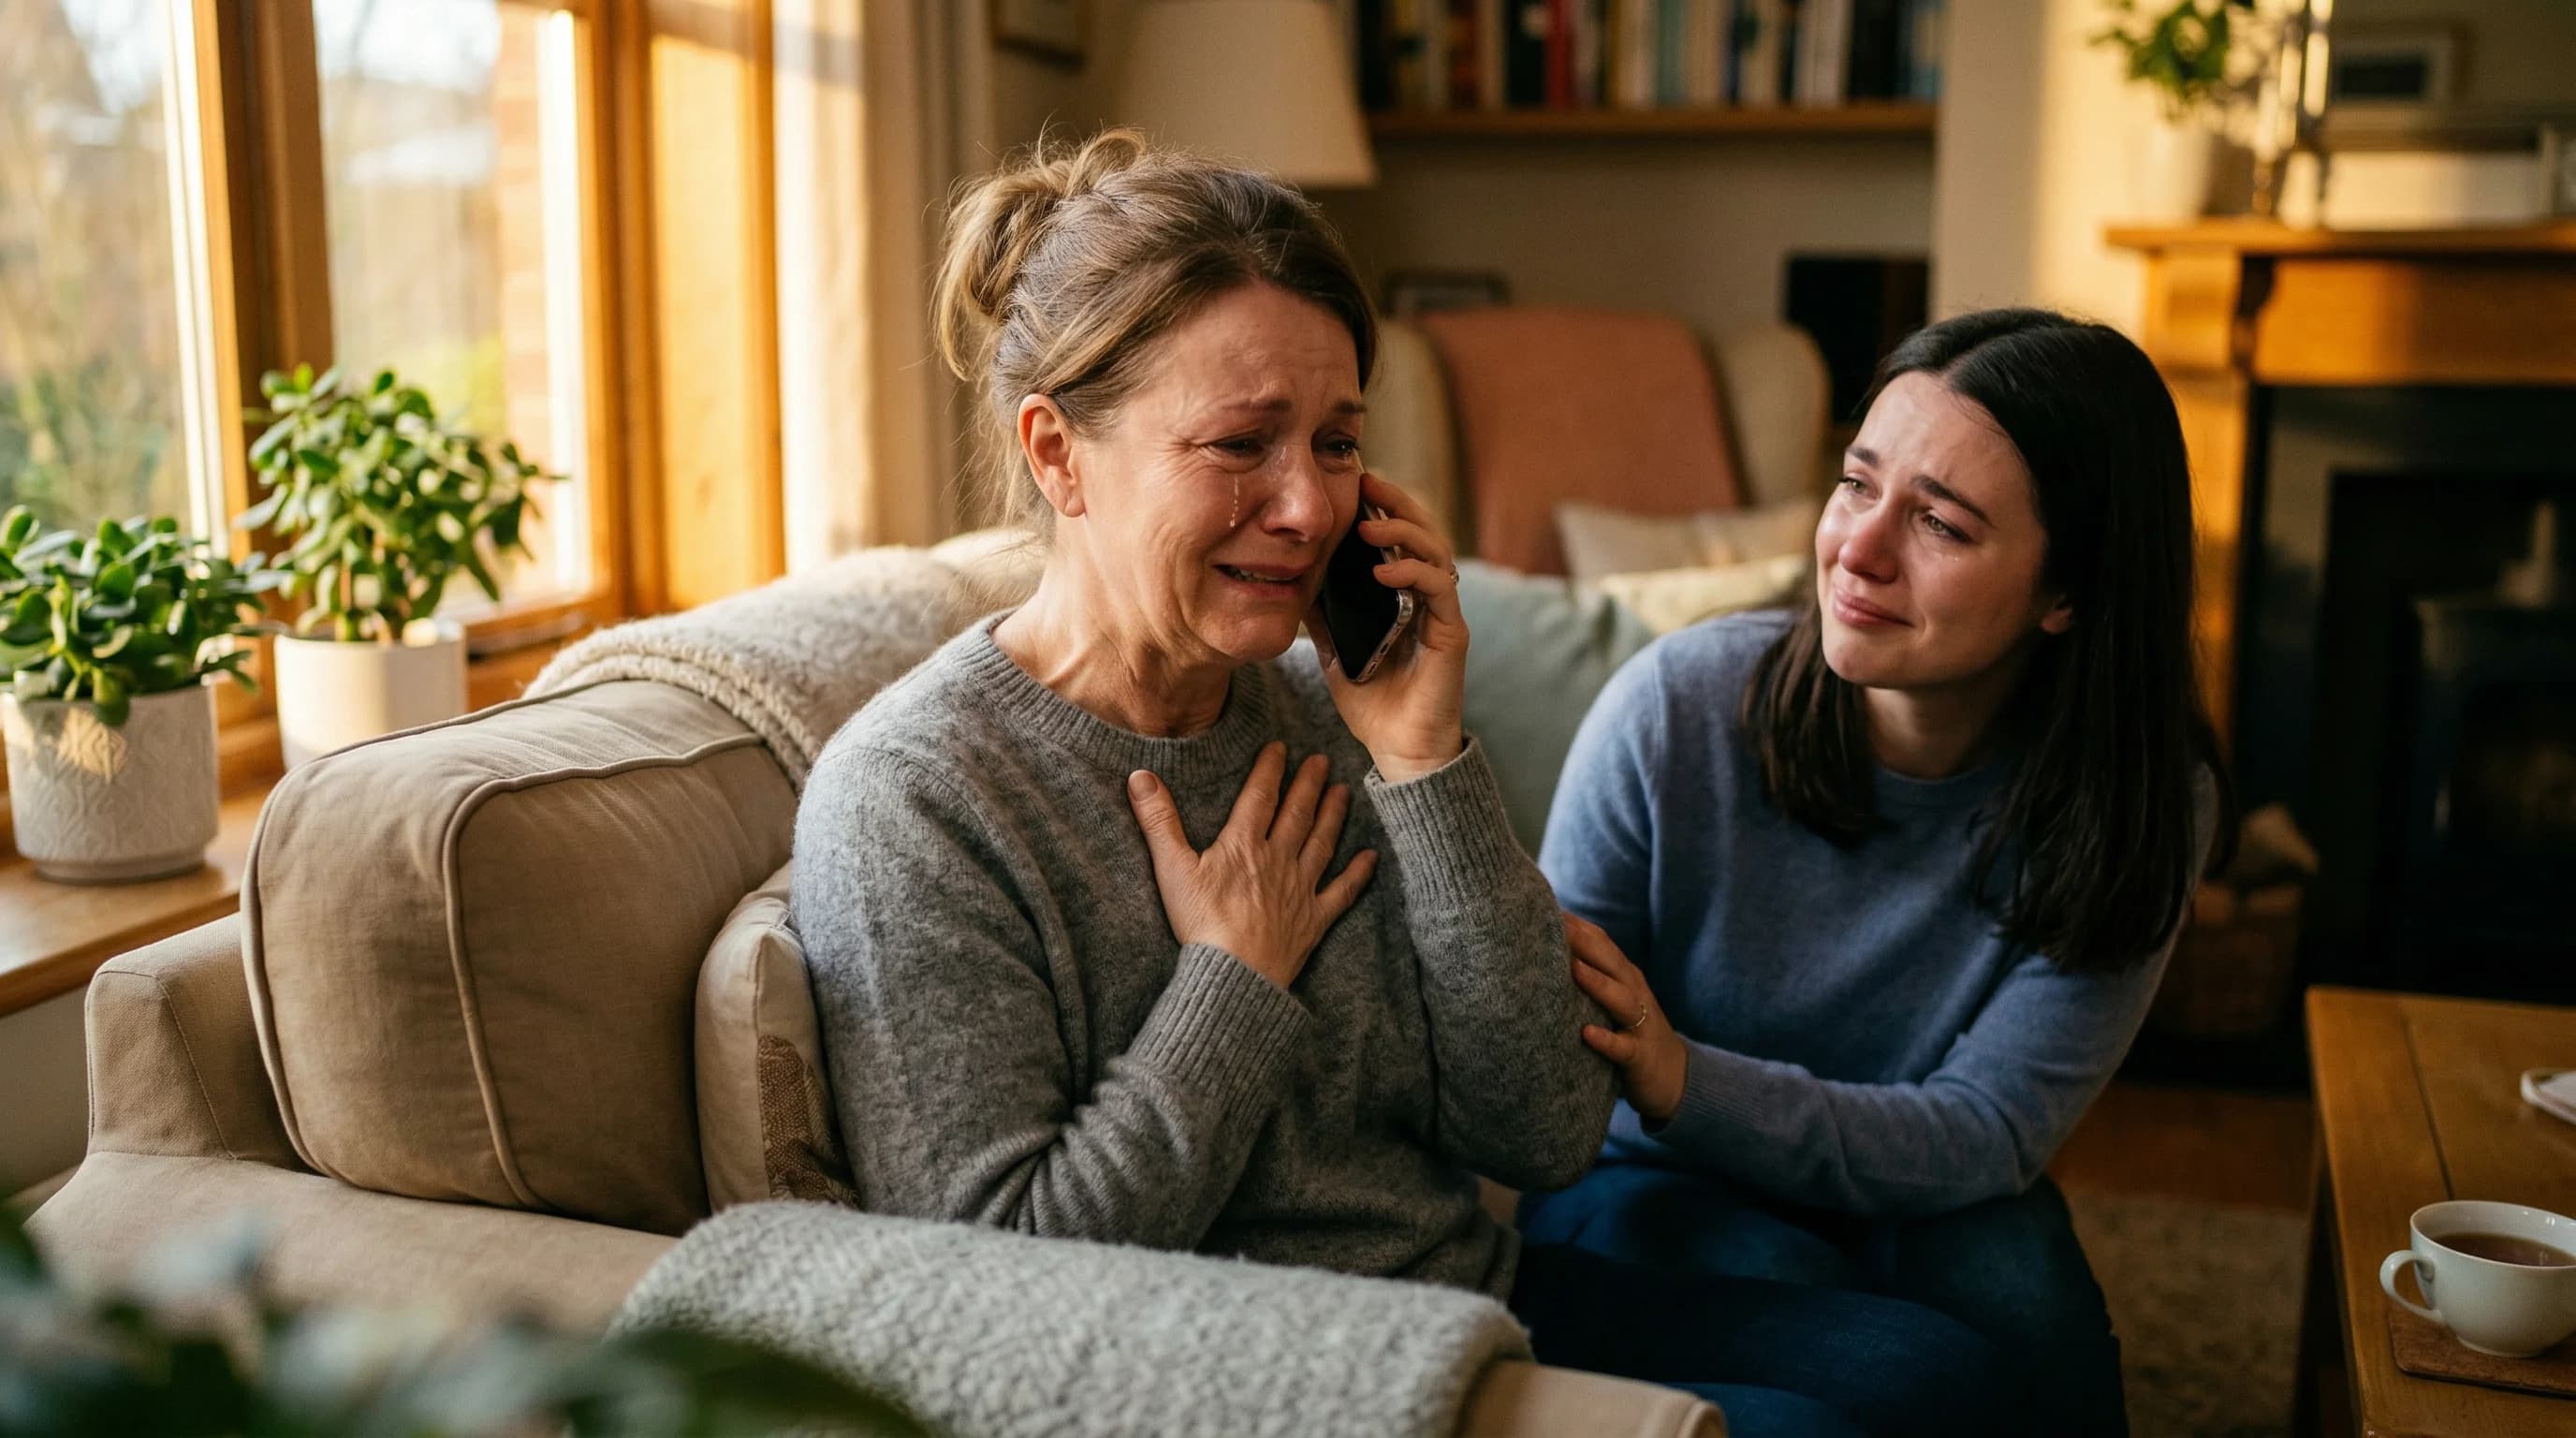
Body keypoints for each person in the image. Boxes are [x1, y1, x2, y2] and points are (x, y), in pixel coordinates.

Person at [792, 129, 2011, 1438]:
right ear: (1056, 453)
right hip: (1264, 1375)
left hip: (1465, 1304)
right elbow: (993, 1293)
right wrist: (1232, 987)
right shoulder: (916, 800)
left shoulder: (1334, 712)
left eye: (1334, 441)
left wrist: (1426, 760)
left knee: (1940, 1377)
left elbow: (1544, 1131)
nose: (1311, 507)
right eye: (1243, 443)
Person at [1530, 307, 2234, 1435]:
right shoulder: (1676, 710)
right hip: (1647, 1173)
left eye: (1941, 525)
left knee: (2044, 1342)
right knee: (1882, 1356)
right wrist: (1665, 1094)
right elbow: (1542, 1057)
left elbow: (1990, 1129)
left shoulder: (2141, 798)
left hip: (1926, 1180)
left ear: (2068, 594)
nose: (1856, 550)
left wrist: (1687, 1072)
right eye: (1856, 484)